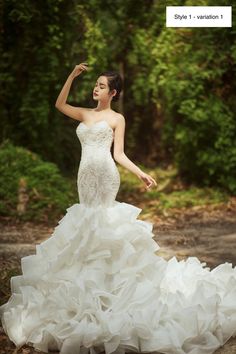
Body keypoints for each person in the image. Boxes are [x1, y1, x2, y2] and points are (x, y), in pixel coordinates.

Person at [0, 63, 236, 354]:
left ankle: (111, 287)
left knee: (103, 222)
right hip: (84, 177)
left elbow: (119, 154)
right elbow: (59, 103)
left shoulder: (117, 118)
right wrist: (72, 76)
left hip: (106, 176)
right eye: (95, 84)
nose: (95, 88)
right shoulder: (85, 113)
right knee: (85, 222)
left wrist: (140, 173)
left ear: (113, 93)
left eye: (101, 86)